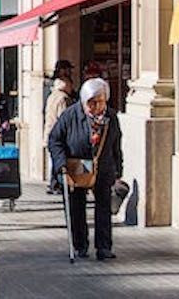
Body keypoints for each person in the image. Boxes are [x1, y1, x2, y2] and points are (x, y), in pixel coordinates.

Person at [48, 77, 123, 261]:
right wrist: (61, 164)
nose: (96, 106)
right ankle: (80, 244)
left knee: (104, 207)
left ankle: (104, 247)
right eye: (91, 102)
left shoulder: (110, 117)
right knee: (76, 207)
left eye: (100, 101)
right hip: (78, 165)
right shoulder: (71, 115)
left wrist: (118, 168)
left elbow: (116, 144)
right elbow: (55, 140)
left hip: (102, 167)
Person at [44, 76, 74, 194]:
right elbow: (64, 118)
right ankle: (55, 184)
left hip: (49, 130)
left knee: (53, 158)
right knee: (58, 159)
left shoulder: (52, 96)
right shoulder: (63, 98)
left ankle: (53, 184)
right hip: (58, 134)